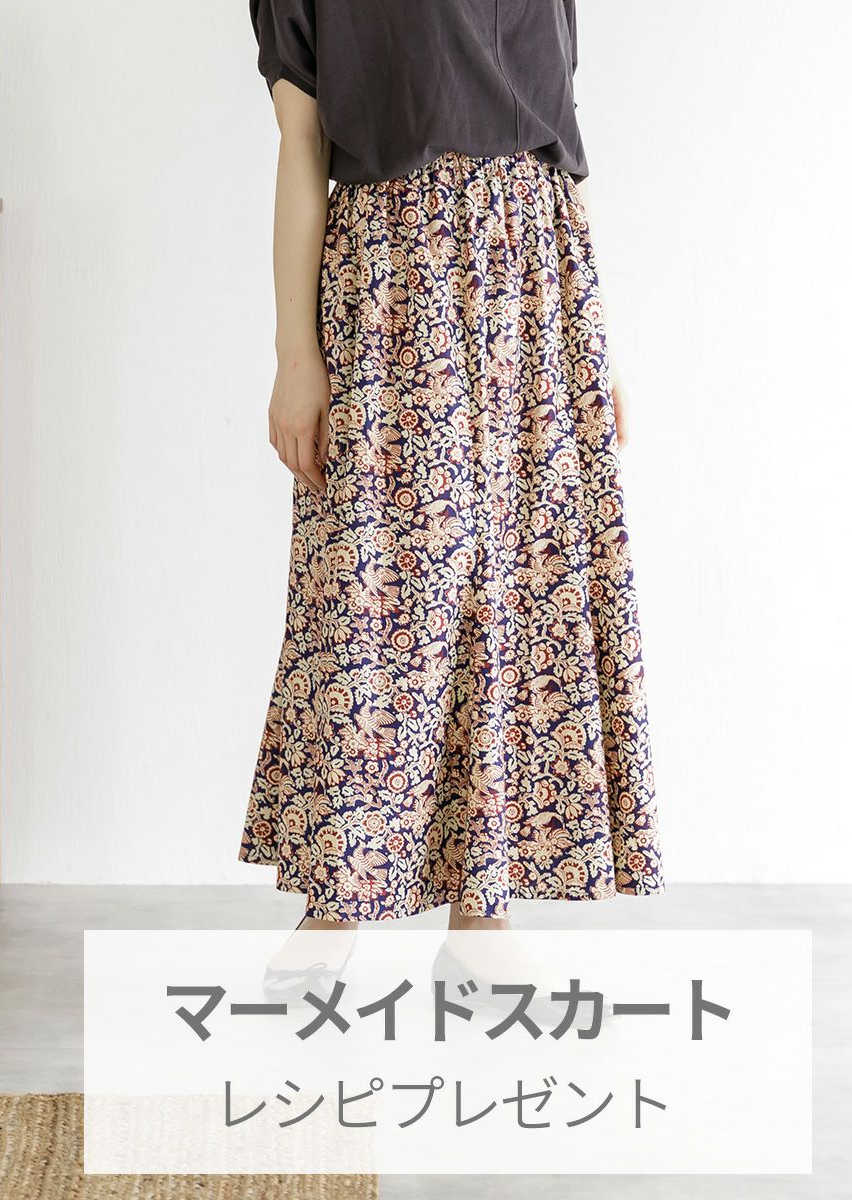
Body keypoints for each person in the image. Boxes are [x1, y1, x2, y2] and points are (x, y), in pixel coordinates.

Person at [239, 1, 663, 975]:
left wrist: (594, 348)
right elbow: (301, 143)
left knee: (514, 591)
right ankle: (337, 902)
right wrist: (295, 353)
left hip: (535, 280)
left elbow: (560, 146)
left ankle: (483, 918)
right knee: (372, 593)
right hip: (390, 274)